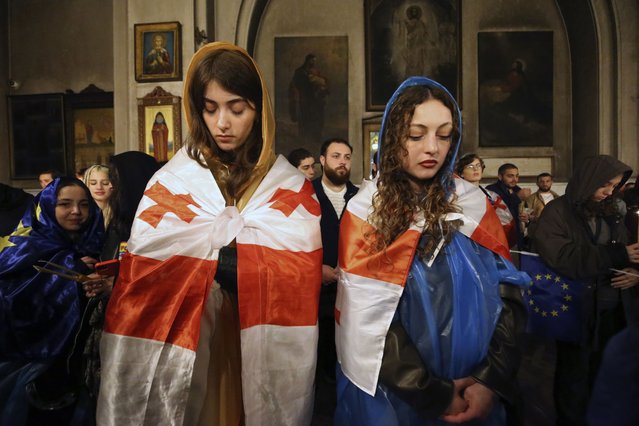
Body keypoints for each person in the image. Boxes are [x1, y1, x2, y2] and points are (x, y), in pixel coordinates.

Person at [97, 42, 322, 426]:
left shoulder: (286, 185)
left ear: (259, 109)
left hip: (259, 336)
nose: (222, 123)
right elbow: (147, 274)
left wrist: (230, 261)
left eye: (237, 109)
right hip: (191, 339)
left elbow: (300, 272)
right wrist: (215, 261)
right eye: (210, 108)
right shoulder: (173, 181)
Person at [334, 77, 530, 425]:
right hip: (397, 399)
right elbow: (365, 322)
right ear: (394, 137)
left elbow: (510, 293)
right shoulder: (367, 213)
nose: (432, 148)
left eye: (444, 135)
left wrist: (490, 380)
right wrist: (435, 394)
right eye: (416, 134)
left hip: (476, 388)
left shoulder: (472, 204)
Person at [531, 155, 639, 426]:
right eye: (604, 185)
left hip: (613, 311)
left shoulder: (612, 210)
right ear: (589, 180)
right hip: (577, 312)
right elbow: (563, 257)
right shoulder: (557, 212)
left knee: (609, 377)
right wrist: (617, 255)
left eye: (614, 187)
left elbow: (628, 252)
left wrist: (635, 273)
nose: (609, 192)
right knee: (574, 382)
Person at [0, 177, 106, 425]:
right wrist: (73, 270)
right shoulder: (26, 247)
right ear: (47, 206)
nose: (76, 212)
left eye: (84, 204)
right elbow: (15, 298)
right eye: (65, 204)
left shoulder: (96, 242)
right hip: (31, 368)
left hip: (78, 369)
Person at [312, 138, 358, 385]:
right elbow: (294, 241)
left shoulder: (360, 197)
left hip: (351, 293)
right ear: (322, 160)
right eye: (336, 156)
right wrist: (315, 269)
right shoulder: (306, 194)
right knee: (319, 361)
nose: (342, 162)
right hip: (315, 293)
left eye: (347, 157)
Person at [456, 153, 517, 247]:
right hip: (469, 243)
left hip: (493, 242)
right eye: (470, 166)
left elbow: (507, 221)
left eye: (478, 165)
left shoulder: (492, 195)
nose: (475, 169)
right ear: (461, 173)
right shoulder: (457, 196)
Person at [486, 163, 531, 247]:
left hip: (517, 236)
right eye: (510, 176)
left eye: (517, 176)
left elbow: (524, 211)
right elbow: (500, 212)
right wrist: (517, 197)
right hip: (500, 237)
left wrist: (527, 218)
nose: (515, 179)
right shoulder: (491, 190)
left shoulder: (517, 189)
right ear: (500, 176)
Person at [288, 53, 330, 146]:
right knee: (304, 119)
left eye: (314, 61)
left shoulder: (315, 72)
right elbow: (296, 84)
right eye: (312, 60)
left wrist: (321, 87)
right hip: (305, 100)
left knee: (316, 119)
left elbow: (322, 82)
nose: (313, 63)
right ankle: (303, 139)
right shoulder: (299, 71)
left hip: (315, 101)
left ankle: (315, 138)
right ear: (307, 60)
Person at [521, 172, 560, 240]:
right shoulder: (530, 198)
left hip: (555, 232)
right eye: (542, 181)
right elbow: (526, 217)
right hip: (537, 232)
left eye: (547, 181)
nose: (545, 184)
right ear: (537, 183)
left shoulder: (557, 198)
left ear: (551, 182)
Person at [83, 164, 113, 229]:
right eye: (93, 183)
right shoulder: (81, 214)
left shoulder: (120, 215)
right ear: (86, 185)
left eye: (105, 183)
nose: (99, 187)